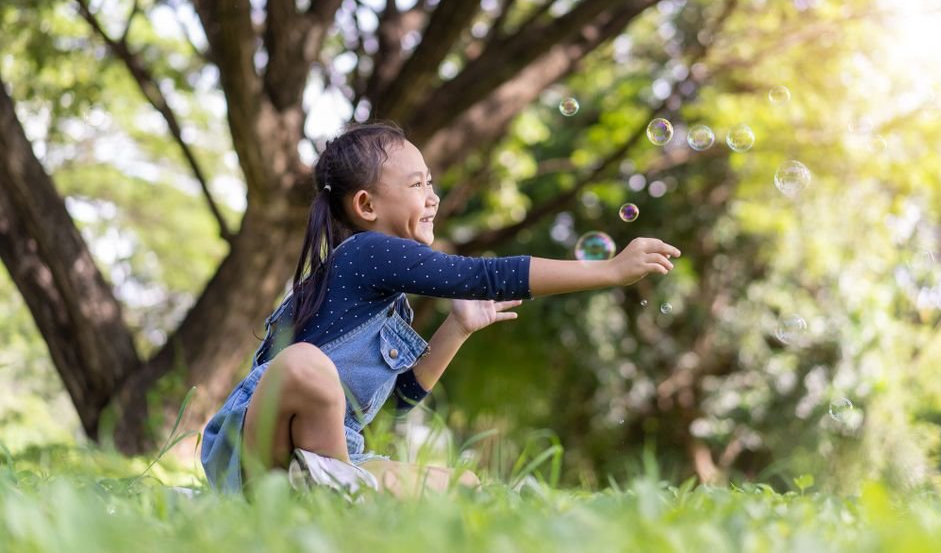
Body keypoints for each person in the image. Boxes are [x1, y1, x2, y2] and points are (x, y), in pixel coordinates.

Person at [200, 121, 681, 498]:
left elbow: (394, 405)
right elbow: (482, 277)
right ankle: (334, 500)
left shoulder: (387, 305)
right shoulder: (367, 252)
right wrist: (611, 271)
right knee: (305, 365)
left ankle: (334, 493)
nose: (433, 197)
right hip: (255, 452)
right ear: (366, 204)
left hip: (329, 458)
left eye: (431, 183)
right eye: (417, 185)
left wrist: (458, 328)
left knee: (466, 487)